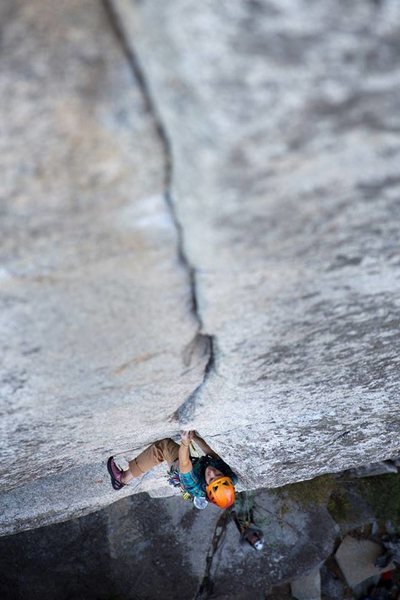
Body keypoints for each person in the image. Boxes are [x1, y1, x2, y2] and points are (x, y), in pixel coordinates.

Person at [107, 430, 237, 510]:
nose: (213, 472)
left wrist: (185, 442)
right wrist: (195, 437)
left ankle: (123, 478)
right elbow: (212, 455)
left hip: (182, 471)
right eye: (218, 474)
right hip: (198, 465)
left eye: (212, 478)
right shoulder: (229, 477)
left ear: (207, 486)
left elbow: (184, 464)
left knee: (163, 447)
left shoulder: (195, 485)